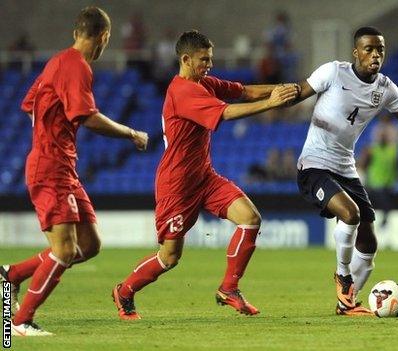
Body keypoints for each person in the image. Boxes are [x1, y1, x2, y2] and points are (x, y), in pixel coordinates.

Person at [111, 30, 299, 320]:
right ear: (186, 59)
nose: (209, 64)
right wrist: (272, 103)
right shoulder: (183, 91)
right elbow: (225, 113)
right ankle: (124, 291)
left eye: (210, 59)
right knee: (169, 257)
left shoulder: (203, 83)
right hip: (177, 185)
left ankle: (229, 288)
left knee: (250, 219)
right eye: (204, 60)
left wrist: (287, 88)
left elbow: (244, 91)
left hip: (204, 177)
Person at [291, 27, 398, 315]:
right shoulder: (333, 73)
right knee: (350, 215)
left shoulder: (385, 88)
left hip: (345, 167)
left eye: (380, 50)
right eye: (369, 49)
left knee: (369, 242)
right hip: (314, 165)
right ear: (355, 52)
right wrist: (267, 98)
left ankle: (346, 302)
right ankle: (342, 276)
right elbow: (299, 92)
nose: (375, 55)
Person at [0, 7, 149, 336]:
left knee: (90, 244)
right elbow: (87, 116)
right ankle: (21, 321)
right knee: (65, 250)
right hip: (51, 166)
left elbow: (29, 104)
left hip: (61, 166)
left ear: (75, 33)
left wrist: (50, 132)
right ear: (104, 38)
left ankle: (10, 275)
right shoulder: (77, 66)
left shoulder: (57, 62)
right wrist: (131, 133)